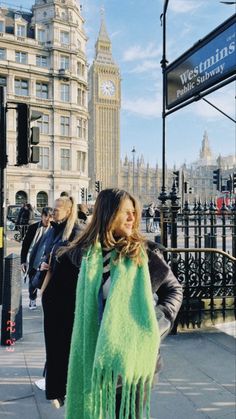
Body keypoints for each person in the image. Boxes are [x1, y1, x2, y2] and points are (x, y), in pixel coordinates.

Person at [64, 188, 183, 419]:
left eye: (134, 213)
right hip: (94, 353)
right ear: (107, 214)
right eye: (126, 212)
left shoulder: (143, 253)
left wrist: (155, 325)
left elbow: (173, 289)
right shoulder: (80, 256)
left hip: (136, 356)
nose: (133, 218)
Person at [37, 196, 80, 407]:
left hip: (68, 299)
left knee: (64, 345)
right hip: (52, 297)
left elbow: (79, 266)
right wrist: (44, 264)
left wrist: (54, 262)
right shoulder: (54, 230)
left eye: (56, 209)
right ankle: (56, 388)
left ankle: (62, 389)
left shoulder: (76, 233)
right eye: (52, 209)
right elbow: (45, 256)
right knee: (53, 345)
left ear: (68, 211)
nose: (53, 212)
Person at [20, 207, 53, 309]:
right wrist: (23, 261)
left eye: (50, 217)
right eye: (45, 216)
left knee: (47, 283)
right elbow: (25, 245)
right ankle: (32, 299)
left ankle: (46, 302)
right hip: (33, 259)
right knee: (33, 282)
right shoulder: (33, 227)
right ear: (42, 216)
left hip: (47, 260)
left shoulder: (54, 229)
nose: (47, 219)